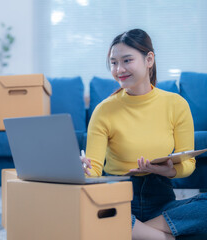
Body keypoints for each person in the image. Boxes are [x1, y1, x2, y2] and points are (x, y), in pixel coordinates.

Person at [81, 29, 207, 240]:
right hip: (119, 201)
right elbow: (93, 169)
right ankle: (158, 236)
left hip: (161, 202)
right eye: (113, 63)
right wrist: (82, 169)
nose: (119, 69)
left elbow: (188, 165)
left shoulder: (176, 104)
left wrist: (170, 172)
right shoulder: (104, 110)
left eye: (127, 60)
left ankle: (132, 233)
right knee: (82, 209)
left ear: (149, 59)